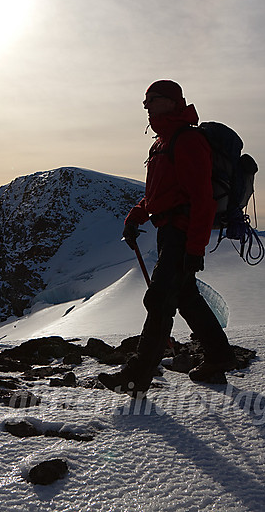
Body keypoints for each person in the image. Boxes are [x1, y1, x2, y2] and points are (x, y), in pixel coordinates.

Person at [99, 80, 237, 394]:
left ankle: (136, 378)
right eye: (145, 101)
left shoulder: (188, 141)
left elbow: (203, 199)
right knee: (186, 297)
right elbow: (157, 195)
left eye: (152, 99)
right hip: (168, 231)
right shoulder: (162, 143)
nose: (146, 105)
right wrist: (135, 217)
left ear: (172, 102)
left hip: (182, 233)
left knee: (159, 300)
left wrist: (194, 248)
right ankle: (219, 356)